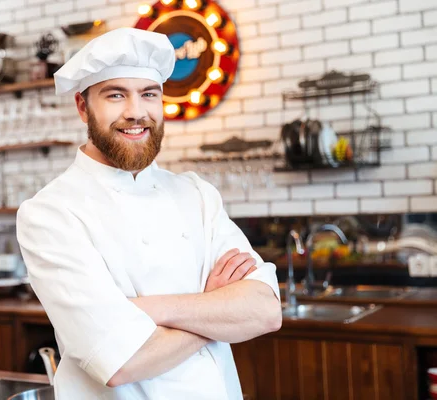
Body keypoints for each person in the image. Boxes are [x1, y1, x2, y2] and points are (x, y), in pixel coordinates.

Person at [16, 27, 282, 400]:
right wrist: (215, 310)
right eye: (115, 95)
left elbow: (265, 311)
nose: (135, 112)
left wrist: (146, 310)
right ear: (82, 106)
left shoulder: (197, 194)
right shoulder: (50, 213)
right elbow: (122, 359)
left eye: (148, 94)